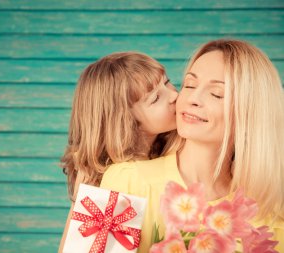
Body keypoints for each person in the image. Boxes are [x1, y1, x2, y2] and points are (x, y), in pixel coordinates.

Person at [100, 39, 284, 252]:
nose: (192, 98)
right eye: (189, 84)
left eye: (216, 94)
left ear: (251, 113)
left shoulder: (269, 215)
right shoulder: (126, 180)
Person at [58, 52, 180, 252]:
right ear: (126, 123)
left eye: (167, 83)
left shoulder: (169, 151)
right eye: (156, 98)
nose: (174, 95)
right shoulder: (114, 181)